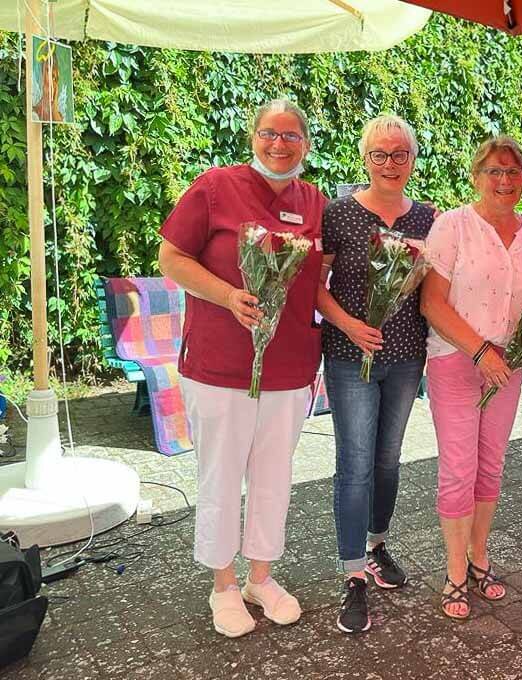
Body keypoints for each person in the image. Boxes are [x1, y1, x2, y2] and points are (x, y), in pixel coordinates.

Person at [159, 99, 325, 638]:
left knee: (274, 477)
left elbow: (320, 277)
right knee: (222, 474)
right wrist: (229, 295)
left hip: (289, 366)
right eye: (269, 133)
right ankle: (223, 585)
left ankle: (261, 578)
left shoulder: (314, 201)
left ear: (305, 144)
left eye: (291, 135)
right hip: (221, 364)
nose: (279, 144)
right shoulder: (215, 187)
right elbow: (171, 259)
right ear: (252, 137)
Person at [420, 136, 522, 619]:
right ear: (476, 176)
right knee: (459, 468)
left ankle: (480, 557)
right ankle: (455, 570)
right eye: (494, 171)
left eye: (513, 172)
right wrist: (479, 351)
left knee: (490, 466)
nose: (504, 180)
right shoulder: (452, 226)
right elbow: (432, 303)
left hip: (508, 368)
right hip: (456, 359)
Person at [316, 115, 434, 634]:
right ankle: (352, 576)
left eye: (400, 154)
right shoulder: (339, 214)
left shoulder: (428, 218)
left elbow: (433, 288)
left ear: (413, 159)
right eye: (379, 154)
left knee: (388, 460)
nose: (390, 163)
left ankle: (377, 545)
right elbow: (313, 285)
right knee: (355, 463)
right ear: (365, 159)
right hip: (349, 354)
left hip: (407, 356)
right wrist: (349, 324)